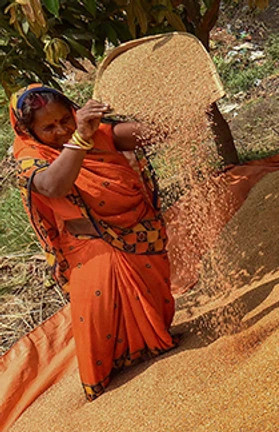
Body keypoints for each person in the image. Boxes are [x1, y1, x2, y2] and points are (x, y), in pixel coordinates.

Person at [10, 84, 177, 400]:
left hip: (138, 232)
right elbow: (55, 186)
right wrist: (80, 137)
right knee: (99, 324)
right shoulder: (32, 157)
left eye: (65, 120)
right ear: (29, 132)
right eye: (48, 127)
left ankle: (154, 345)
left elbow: (146, 133)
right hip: (91, 247)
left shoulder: (94, 131)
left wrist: (170, 113)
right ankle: (108, 393)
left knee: (153, 305)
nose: (61, 130)